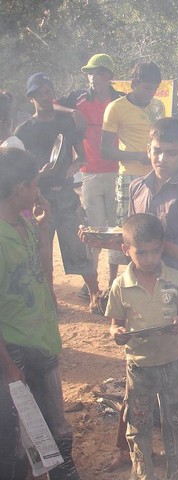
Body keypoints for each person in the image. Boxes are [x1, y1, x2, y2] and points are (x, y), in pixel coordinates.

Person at [89, 117, 178, 471]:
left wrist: (160, 246)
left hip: (175, 296)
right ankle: (126, 449)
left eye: (171, 153)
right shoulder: (137, 187)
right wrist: (105, 240)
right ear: (148, 149)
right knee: (136, 371)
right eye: (157, 151)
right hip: (138, 296)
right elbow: (132, 238)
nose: (162, 159)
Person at [0, 147, 81, 480]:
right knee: (18, 432)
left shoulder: (24, 224)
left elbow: (43, 273)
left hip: (42, 338)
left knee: (54, 421)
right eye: (34, 184)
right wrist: (8, 366)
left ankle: (63, 472)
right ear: (19, 188)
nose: (38, 190)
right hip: (14, 348)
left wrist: (44, 229)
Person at [106, 213, 178, 480]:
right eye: (142, 253)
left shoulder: (174, 278)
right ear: (126, 250)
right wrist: (117, 333)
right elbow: (115, 323)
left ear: (162, 248)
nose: (149, 259)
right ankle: (143, 474)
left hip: (173, 361)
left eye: (155, 251)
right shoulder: (120, 286)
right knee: (139, 425)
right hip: (140, 367)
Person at [15, 72, 101, 313]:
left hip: (65, 195)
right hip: (38, 197)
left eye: (48, 92)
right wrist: (37, 174)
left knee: (78, 245)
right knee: (42, 250)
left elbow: (82, 155)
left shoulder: (65, 123)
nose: (45, 97)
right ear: (31, 98)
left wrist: (76, 164)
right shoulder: (24, 131)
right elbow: (18, 169)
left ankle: (95, 293)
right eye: (39, 93)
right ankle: (49, 297)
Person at [56, 54, 123, 298]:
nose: (93, 77)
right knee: (95, 229)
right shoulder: (78, 98)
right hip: (91, 174)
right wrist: (71, 111)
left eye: (98, 72)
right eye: (90, 72)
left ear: (109, 76)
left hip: (117, 173)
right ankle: (91, 282)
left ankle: (115, 282)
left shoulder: (120, 101)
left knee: (117, 229)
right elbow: (50, 105)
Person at [101, 62, 165, 285]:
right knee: (125, 229)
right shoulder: (116, 108)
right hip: (129, 176)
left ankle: (149, 279)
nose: (151, 93)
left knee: (153, 227)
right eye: (147, 88)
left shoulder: (158, 107)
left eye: (154, 88)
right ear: (134, 84)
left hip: (155, 176)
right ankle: (113, 283)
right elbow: (105, 150)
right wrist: (136, 156)